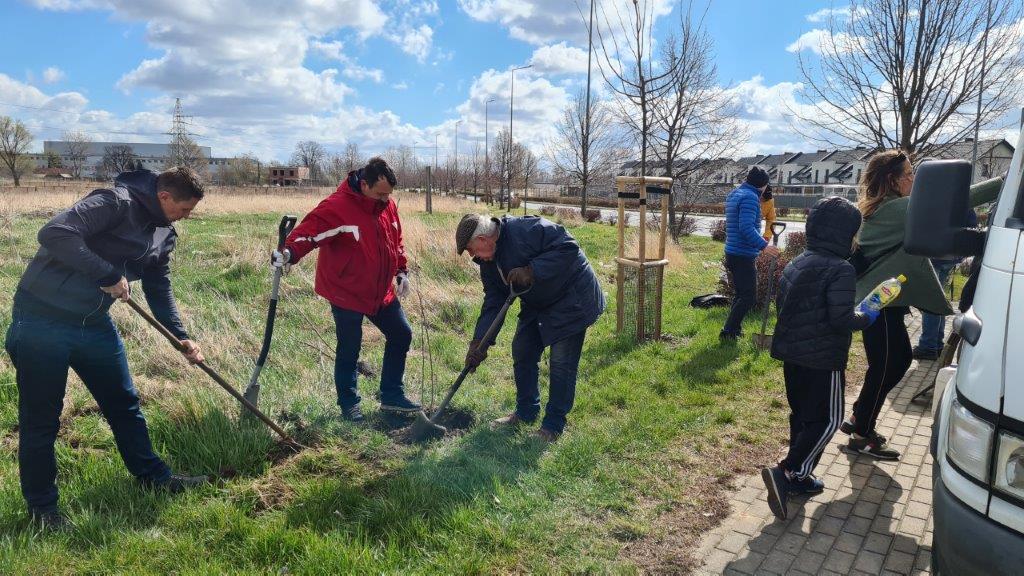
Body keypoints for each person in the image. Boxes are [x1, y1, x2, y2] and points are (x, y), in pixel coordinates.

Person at [5, 167, 209, 530]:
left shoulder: (163, 232)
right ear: (164, 196)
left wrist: (180, 336)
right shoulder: (114, 202)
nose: (186, 216)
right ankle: (43, 510)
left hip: (94, 325)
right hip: (41, 322)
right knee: (42, 421)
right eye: (184, 209)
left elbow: (158, 286)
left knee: (124, 404)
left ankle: (153, 478)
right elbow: (54, 232)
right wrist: (107, 274)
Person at [839, 151, 1003, 459]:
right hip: (878, 303)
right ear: (893, 180)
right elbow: (952, 201)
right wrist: (1004, 182)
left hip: (881, 300)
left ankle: (859, 417)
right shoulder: (896, 209)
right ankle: (861, 435)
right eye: (909, 174)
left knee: (892, 362)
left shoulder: (883, 207)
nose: (915, 180)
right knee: (889, 364)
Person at [276, 157, 419, 422]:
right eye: (380, 194)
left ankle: (392, 395)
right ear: (364, 185)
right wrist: (288, 253)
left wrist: (401, 270)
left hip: (379, 290)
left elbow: (395, 239)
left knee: (401, 333)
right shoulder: (337, 207)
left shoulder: (386, 206)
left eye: (388, 194)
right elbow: (309, 233)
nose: (386, 199)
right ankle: (349, 404)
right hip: (345, 291)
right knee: (349, 347)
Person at [761, 197, 876, 521]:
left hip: (792, 356)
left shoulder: (799, 261)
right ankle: (787, 471)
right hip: (822, 359)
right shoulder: (841, 269)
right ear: (845, 235)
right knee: (827, 419)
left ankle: (800, 478)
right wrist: (867, 315)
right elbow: (841, 319)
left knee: (802, 416)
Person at [455, 213, 605, 441]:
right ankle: (526, 412)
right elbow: (494, 300)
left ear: (484, 239)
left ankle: (553, 426)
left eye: (470, 249)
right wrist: (479, 342)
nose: (472, 255)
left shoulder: (525, 230)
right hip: (537, 301)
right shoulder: (488, 261)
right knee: (523, 350)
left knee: (561, 364)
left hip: (571, 298)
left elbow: (568, 248)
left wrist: (533, 270)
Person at [721, 167, 781, 341]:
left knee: (741, 294)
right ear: (763, 185)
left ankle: (734, 330)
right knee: (748, 297)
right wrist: (764, 246)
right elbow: (746, 228)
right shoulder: (750, 197)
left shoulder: (735, 194)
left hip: (732, 251)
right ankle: (728, 331)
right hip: (742, 254)